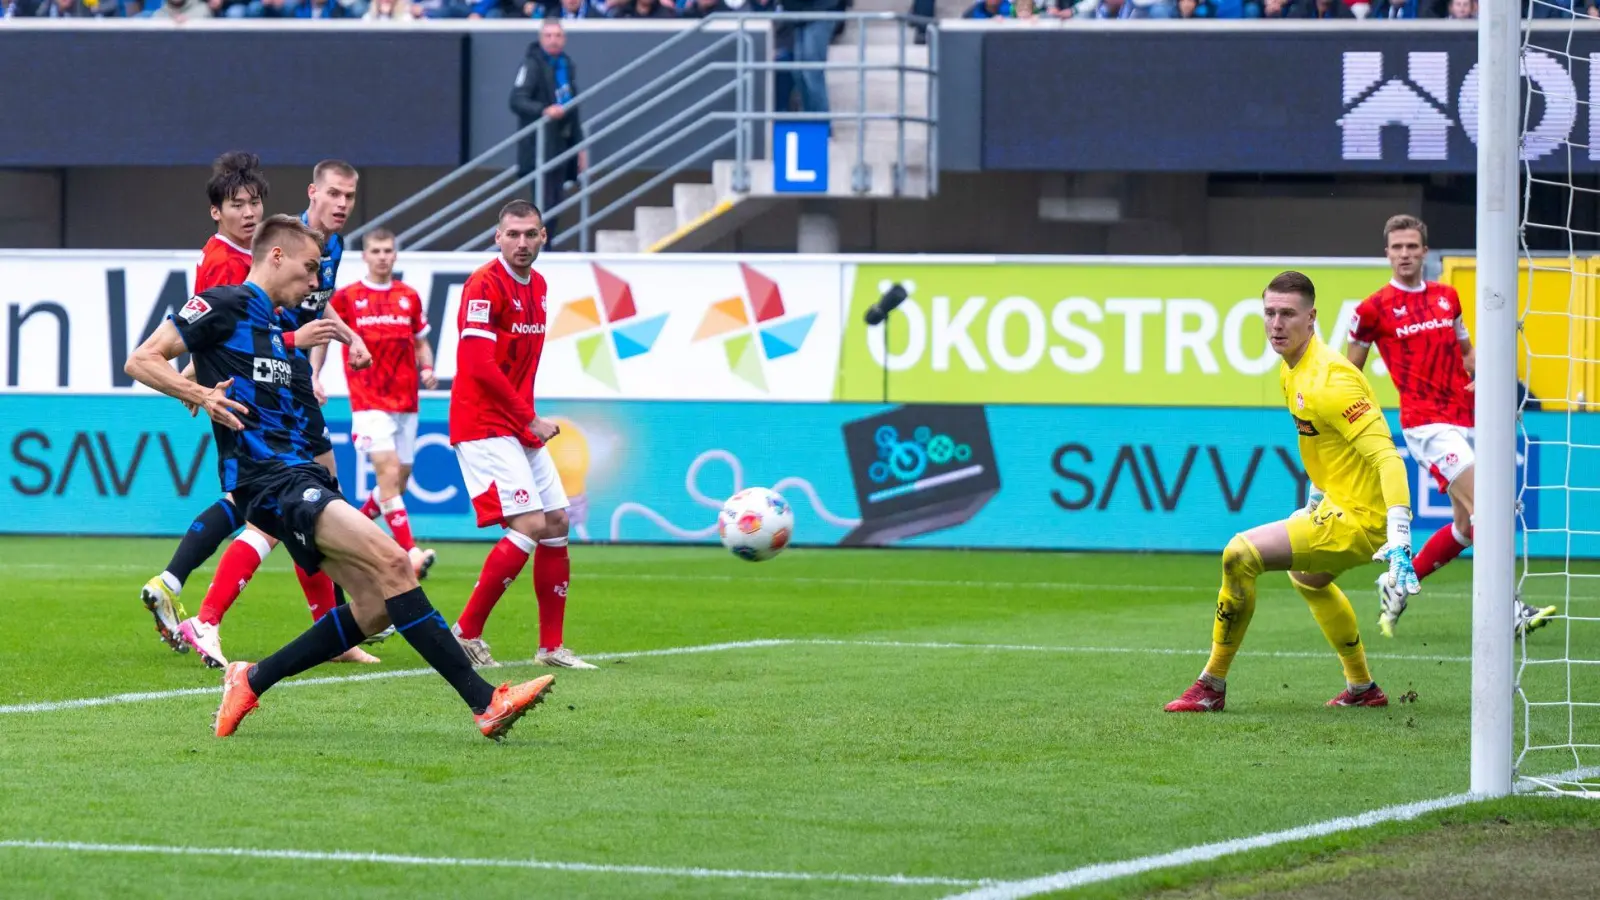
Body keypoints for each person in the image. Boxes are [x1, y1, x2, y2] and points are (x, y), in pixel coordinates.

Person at [124, 214, 556, 740]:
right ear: (276, 256)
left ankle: (251, 680)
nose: (314, 284)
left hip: (301, 478)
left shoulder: (277, 333)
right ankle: (486, 702)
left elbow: (275, 399)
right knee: (398, 563)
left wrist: (334, 499)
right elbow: (142, 359)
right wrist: (201, 393)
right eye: (308, 270)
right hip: (267, 482)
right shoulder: (225, 302)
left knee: (374, 607)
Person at [1166, 271, 1418, 713]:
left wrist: (1399, 537)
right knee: (1307, 579)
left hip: (1361, 520)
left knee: (1238, 555)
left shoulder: (1332, 380)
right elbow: (1326, 446)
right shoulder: (1293, 371)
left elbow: (1387, 458)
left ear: (1312, 317)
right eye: (1269, 313)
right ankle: (1362, 689)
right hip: (1341, 507)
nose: (1276, 323)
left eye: (1287, 314)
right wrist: (1316, 497)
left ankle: (1211, 686)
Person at [171, 160, 381, 669]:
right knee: (280, 507)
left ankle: (332, 629)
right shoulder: (259, 252)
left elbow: (314, 309)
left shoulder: (330, 248)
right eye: (334, 194)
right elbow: (229, 330)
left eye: (349, 197)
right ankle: (206, 616)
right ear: (313, 193)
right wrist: (195, 385)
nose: (342, 205)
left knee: (317, 498)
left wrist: (343, 339)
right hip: (260, 391)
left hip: (292, 383)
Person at [1346, 215, 1557, 638]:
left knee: (1465, 526)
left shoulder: (1448, 297)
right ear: (1386, 253)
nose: (1404, 254)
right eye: (1397, 247)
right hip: (1426, 425)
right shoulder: (1372, 309)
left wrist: (1488, 373)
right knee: (1490, 508)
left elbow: (1467, 353)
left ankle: (1396, 583)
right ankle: (1510, 611)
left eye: (1411, 246)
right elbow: (1349, 371)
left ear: (1425, 251)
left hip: (1466, 417)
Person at [449, 201, 593, 671]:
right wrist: (527, 418)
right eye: (513, 234)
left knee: (556, 522)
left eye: (530, 234)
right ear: (497, 237)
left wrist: (526, 418)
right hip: (483, 423)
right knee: (529, 524)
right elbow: (476, 363)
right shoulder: (484, 284)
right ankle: (465, 634)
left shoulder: (540, 286)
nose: (522, 243)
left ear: (544, 236)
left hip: (515, 422)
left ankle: (551, 647)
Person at [139, 151, 267, 653]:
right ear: (217, 211)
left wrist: (194, 371)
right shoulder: (223, 260)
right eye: (237, 204)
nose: (249, 212)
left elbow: (212, 332)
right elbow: (209, 326)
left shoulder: (239, 255)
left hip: (241, 385)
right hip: (240, 393)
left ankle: (171, 586)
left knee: (256, 503)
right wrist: (201, 385)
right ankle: (178, 591)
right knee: (254, 503)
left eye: (255, 202)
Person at [330, 229, 440, 579]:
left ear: (395, 255)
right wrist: (315, 376)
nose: (382, 256)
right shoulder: (348, 297)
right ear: (365, 256)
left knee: (399, 482)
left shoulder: (409, 297)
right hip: (368, 400)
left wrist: (427, 368)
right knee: (389, 472)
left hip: (406, 401)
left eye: (388, 250)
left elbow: (421, 343)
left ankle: (350, 534)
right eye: (375, 250)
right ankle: (410, 552)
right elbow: (324, 336)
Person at [510, 19, 587, 238]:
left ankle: (546, 245)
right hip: (539, 147)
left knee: (556, 202)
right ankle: (538, 249)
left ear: (564, 39)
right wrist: (544, 110)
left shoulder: (567, 65)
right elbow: (516, 100)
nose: (553, 40)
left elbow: (573, 109)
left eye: (558, 35)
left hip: (561, 145)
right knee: (542, 203)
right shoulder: (531, 64)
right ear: (541, 38)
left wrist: (580, 147)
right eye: (549, 35)